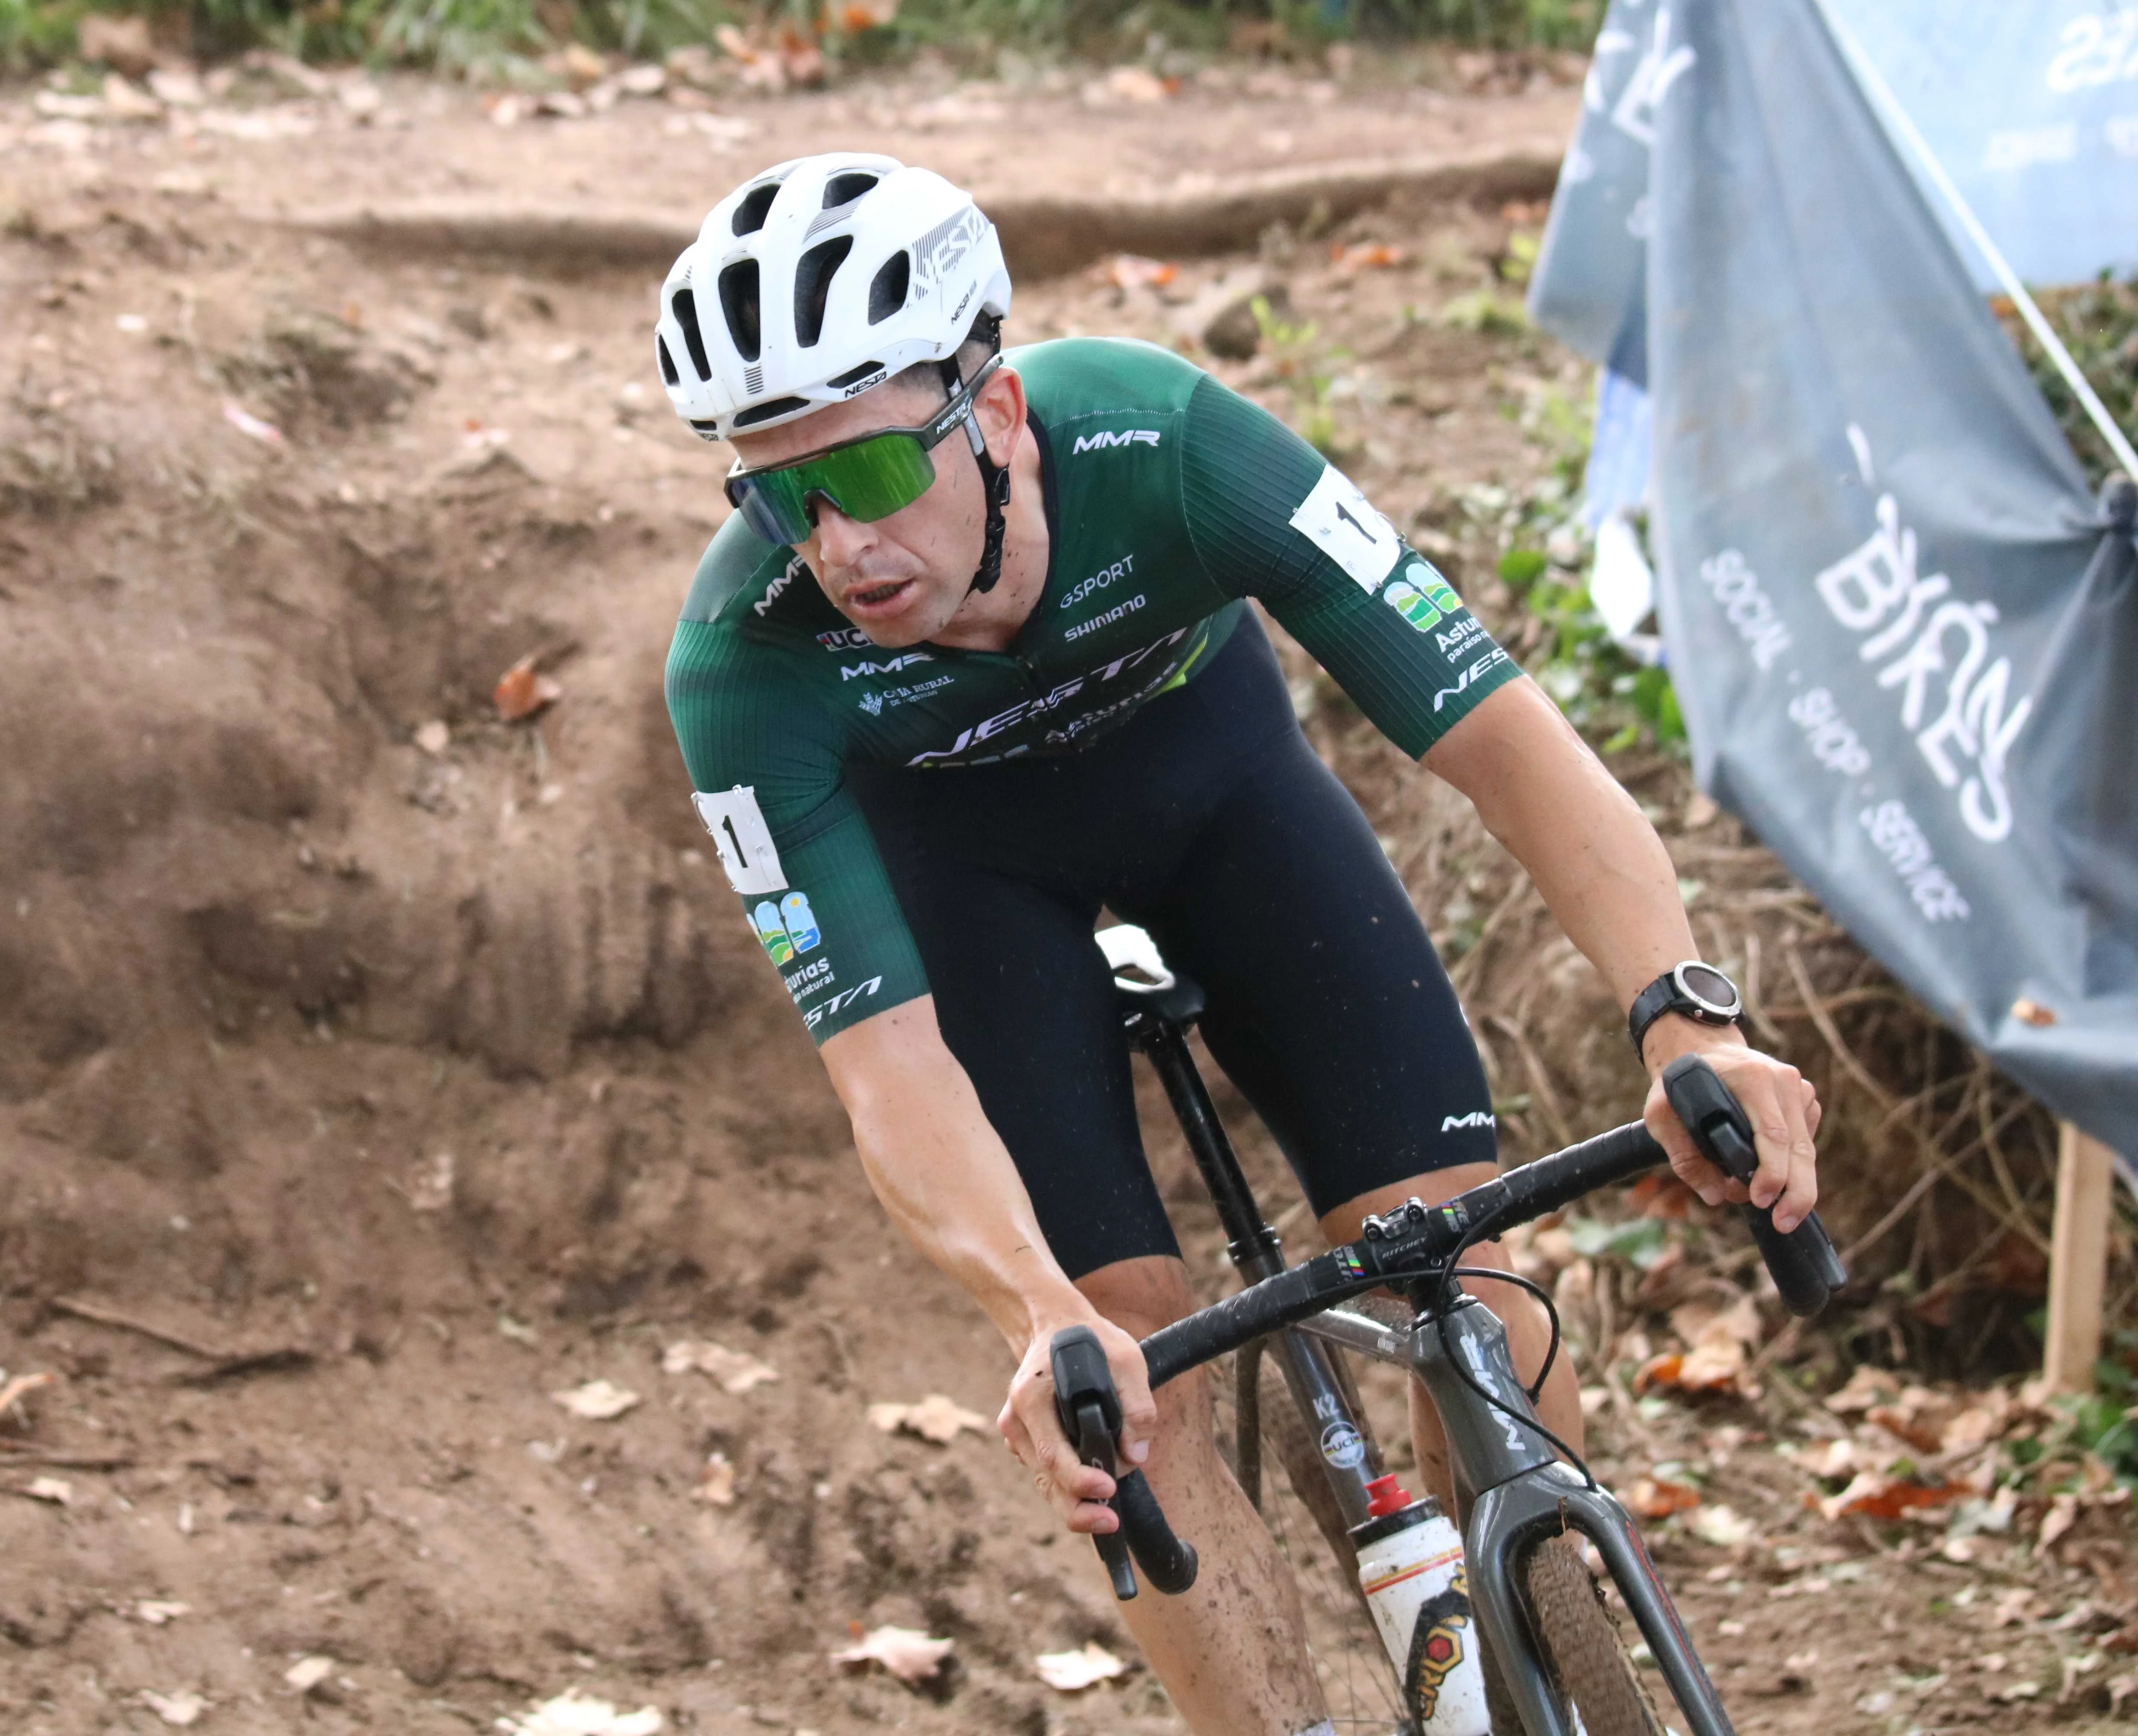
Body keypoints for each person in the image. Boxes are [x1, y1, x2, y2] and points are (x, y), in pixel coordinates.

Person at [658, 154, 1822, 1736]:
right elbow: (886, 1064)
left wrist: (1682, 1011)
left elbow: (1503, 742)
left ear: (995, 414)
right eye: (773, 496)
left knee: (1463, 1274)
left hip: (1224, 800)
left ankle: (1564, 1656)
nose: (834, 547)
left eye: (861, 477)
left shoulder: (1171, 442)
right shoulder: (744, 670)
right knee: (1127, 1390)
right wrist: (1031, 1309)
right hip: (973, 882)